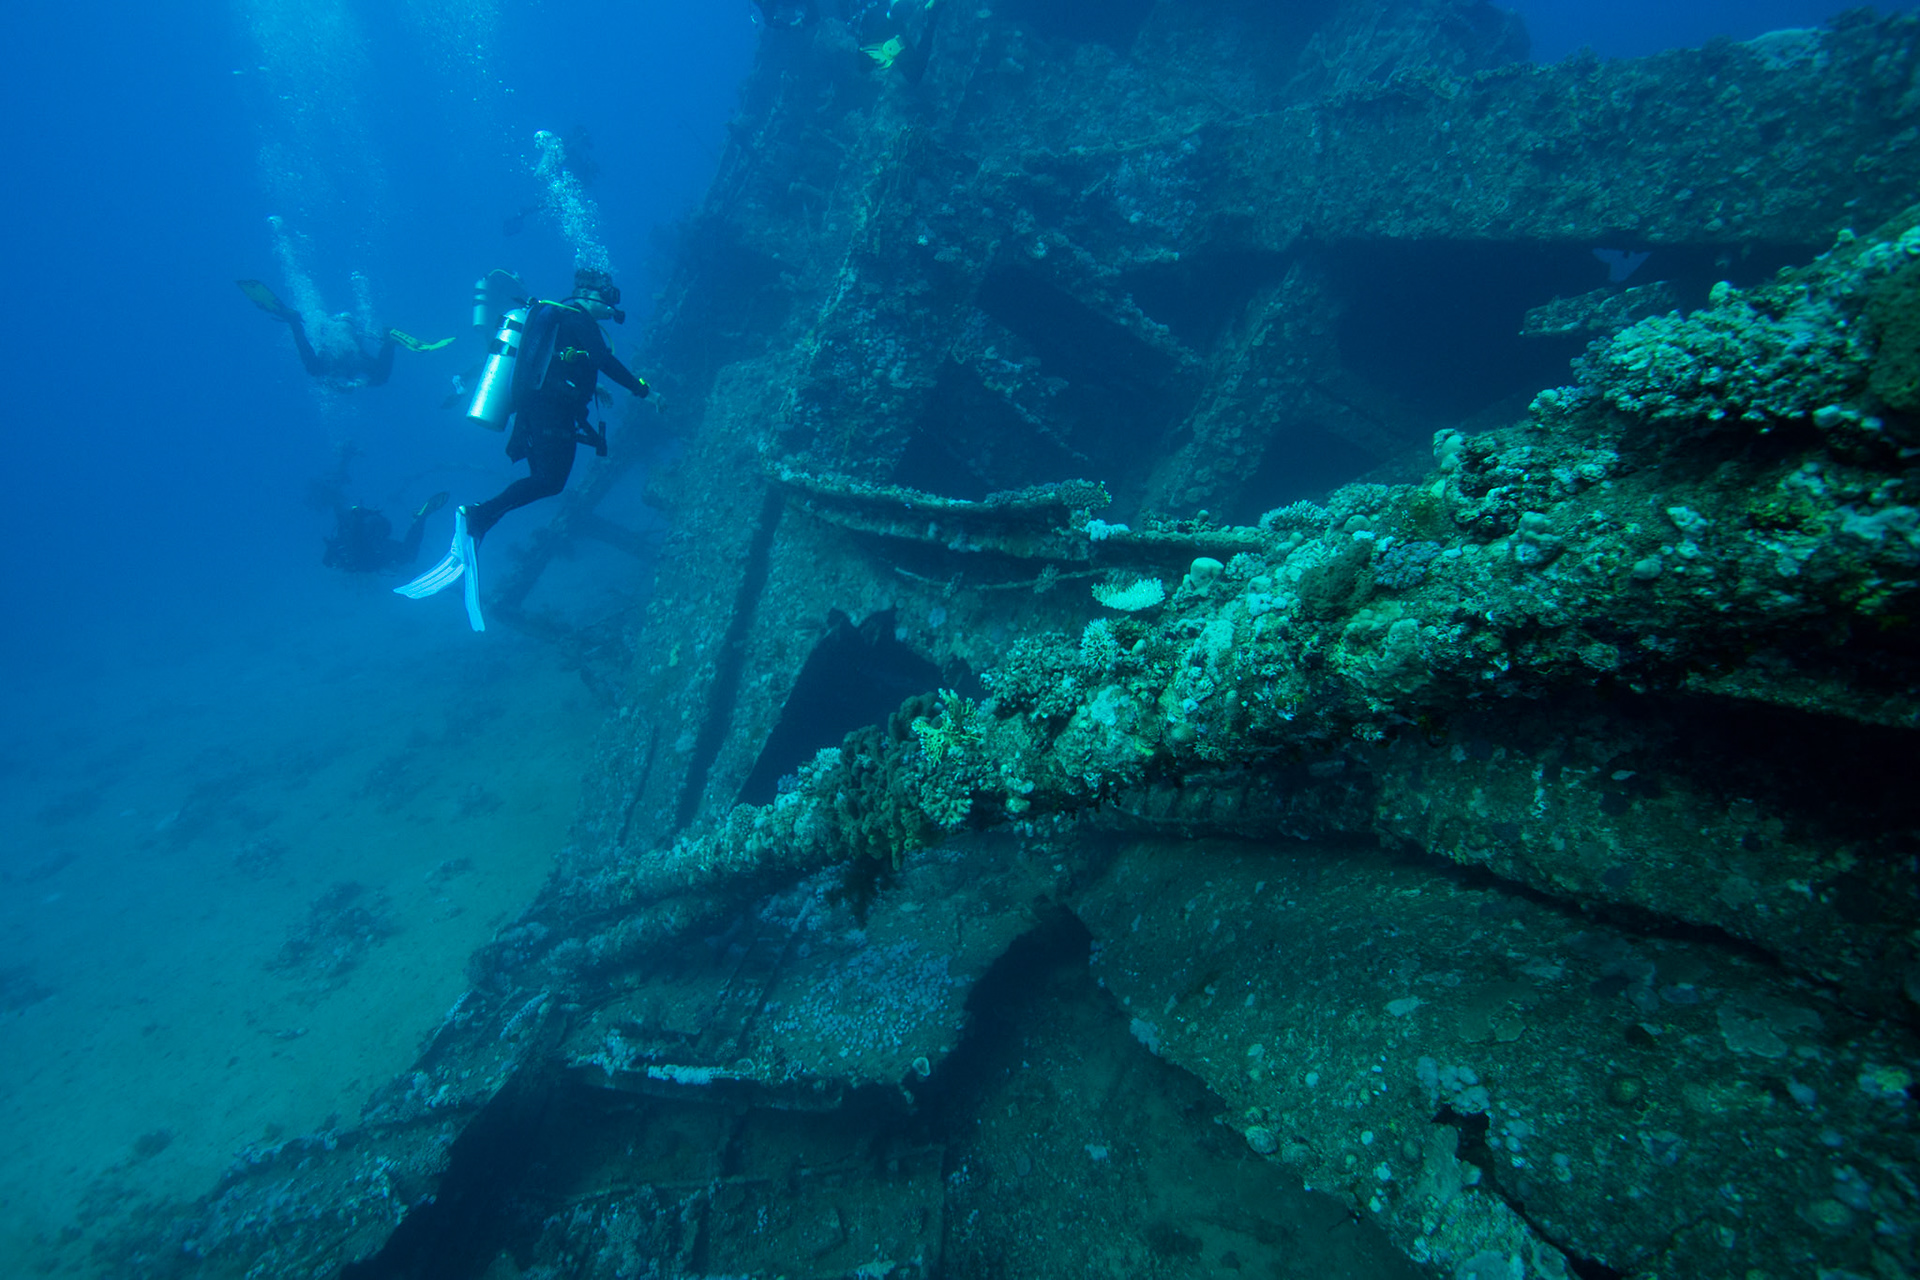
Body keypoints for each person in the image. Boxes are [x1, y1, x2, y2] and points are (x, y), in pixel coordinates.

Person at [396, 267, 650, 631]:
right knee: (549, 480)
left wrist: (593, 389)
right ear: (588, 294)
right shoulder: (577, 318)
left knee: (544, 479)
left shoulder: (558, 318)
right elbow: (604, 361)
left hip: (535, 415)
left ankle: (480, 520)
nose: (612, 309)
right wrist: (644, 390)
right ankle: (477, 517)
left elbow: (567, 364)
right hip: (550, 415)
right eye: (608, 300)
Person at [237, 280, 451, 389]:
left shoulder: (329, 357)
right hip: (351, 356)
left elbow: (318, 361)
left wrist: (350, 385)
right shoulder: (347, 352)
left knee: (315, 369)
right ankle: (390, 340)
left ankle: (295, 323)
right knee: (377, 377)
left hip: (342, 355)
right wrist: (356, 384)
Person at [324, 493, 449, 574]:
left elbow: (370, 561)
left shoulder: (350, 550)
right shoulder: (345, 543)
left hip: (373, 544)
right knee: (406, 556)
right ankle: (419, 520)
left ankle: (419, 520)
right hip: (374, 539)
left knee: (408, 555)